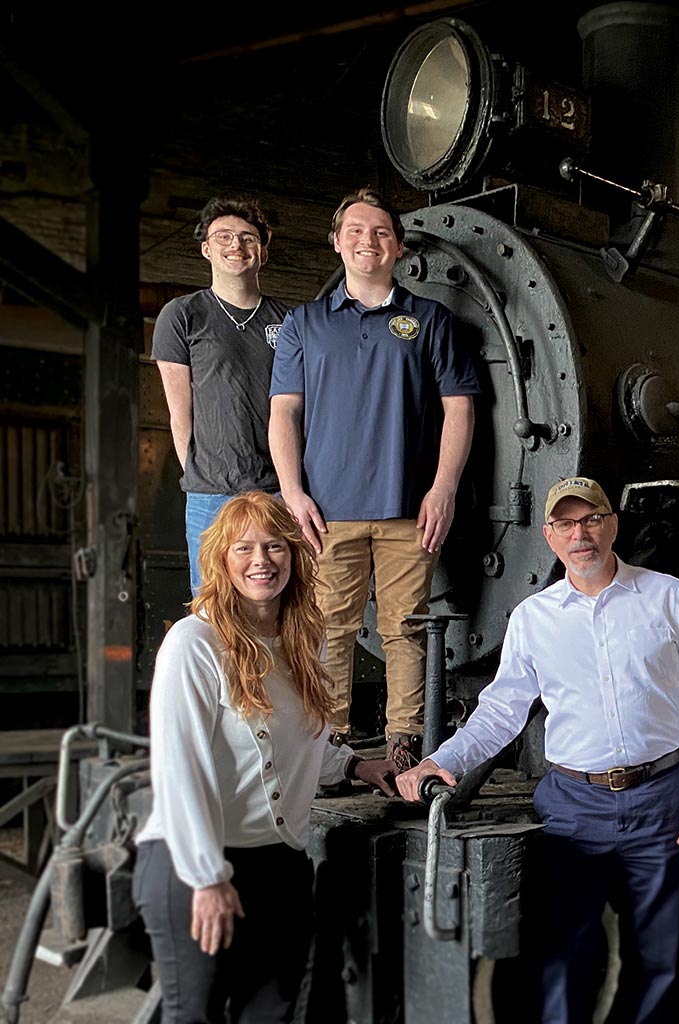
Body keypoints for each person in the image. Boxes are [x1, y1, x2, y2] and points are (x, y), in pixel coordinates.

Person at [396, 476, 679, 1024]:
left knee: (661, 958)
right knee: (567, 952)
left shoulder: (669, 595)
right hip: (576, 806)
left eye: (593, 519)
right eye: (567, 524)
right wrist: (444, 759)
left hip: (664, 798)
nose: (582, 534)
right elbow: (502, 710)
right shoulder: (533, 618)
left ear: (613, 524)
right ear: (549, 535)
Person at [132, 491, 395, 1023]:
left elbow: (299, 741)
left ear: (295, 555)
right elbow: (177, 771)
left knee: (270, 1016)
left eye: (276, 546)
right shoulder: (194, 643)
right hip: (195, 863)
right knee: (196, 1016)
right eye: (244, 548)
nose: (261, 561)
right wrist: (207, 877)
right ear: (220, 559)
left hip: (279, 865)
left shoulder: (303, 640)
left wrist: (354, 767)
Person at [269, 187, 479, 772]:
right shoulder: (303, 324)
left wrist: (443, 488)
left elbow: (459, 410)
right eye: (356, 231)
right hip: (325, 512)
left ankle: (402, 744)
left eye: (381, 232)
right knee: (328, 632)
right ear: (337, 242)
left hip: (409, 510)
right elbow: (283, 413)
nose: (369, 241)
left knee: (404, 631)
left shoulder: (430, 319)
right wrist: (292, 492)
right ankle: (330, 753)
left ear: (398, 246)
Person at [153, 196, 290, 596]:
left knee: (281, 604)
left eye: (248, 238)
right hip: (210, 493)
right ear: (206, 248)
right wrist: (204, 475)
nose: (237, 246)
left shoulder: (288, 320)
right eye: (225, 236)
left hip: (276, 490)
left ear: (262, 252)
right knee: (212, 606)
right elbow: (180, 415)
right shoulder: (181, 315)